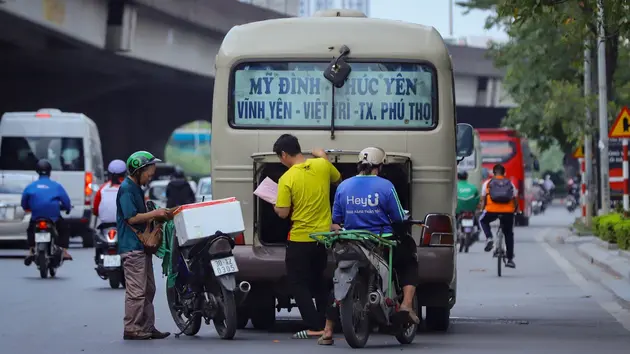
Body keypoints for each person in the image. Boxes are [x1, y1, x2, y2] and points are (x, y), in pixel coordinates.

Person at [318, 147, 419, 345]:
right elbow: (398, 216)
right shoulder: (385, 186)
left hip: (351, 240)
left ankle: (328, 329)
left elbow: (336, 219)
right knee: (409, 260)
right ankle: (407, 304)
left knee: (337, 280)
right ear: (379, 166)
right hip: (380, 241)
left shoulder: (343, 186)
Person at [272, 134, 341, 340]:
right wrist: (322, 156)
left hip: (300, 239)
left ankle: (315, 326)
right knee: (318, 281)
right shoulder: (321, 166)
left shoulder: (287, 178)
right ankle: (326, 323)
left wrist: (275, 206)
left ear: (284, 154)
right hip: (322, 238)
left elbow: (283, 212)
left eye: (279, 157)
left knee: (297, 283)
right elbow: (336, 177)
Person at [117, 151, 171, 340]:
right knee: (137, 291)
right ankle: (131, 328)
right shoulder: (127, 188)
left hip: (141, 247)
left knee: (149, 289)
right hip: (132, 247)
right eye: (149, 172)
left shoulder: (136, 188)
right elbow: (131, 217)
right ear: (139, 170)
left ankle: (147, 326)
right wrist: (155, 214)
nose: (151, 176)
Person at [22, 159, 73, 265]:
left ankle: (31, 250)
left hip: (36, 216)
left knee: (30, 229)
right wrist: (67, 209)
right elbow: (66, 201)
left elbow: (24, 203)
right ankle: (64, 251)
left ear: (37, 171)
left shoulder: (31, 186)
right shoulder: (56, 186)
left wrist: (28, 208)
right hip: (53, 217)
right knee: (64, 229)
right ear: (50, 171)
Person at [479, 164, 518, 268]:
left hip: (491, 211)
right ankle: (510, 259)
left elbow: (483, 200)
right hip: (508, 212)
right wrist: (516, 210)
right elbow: (514, 199)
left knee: (483, 220)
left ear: (493, 173)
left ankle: (489, 237)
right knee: (509, 233)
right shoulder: (510, 183)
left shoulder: (487, 183)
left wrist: (482, 209)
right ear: (504, 173)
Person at [92, 159, 127, 264]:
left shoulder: (102, 189)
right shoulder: (129, 188)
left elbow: (95, 209)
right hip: (123, 225)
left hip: (105, 226)